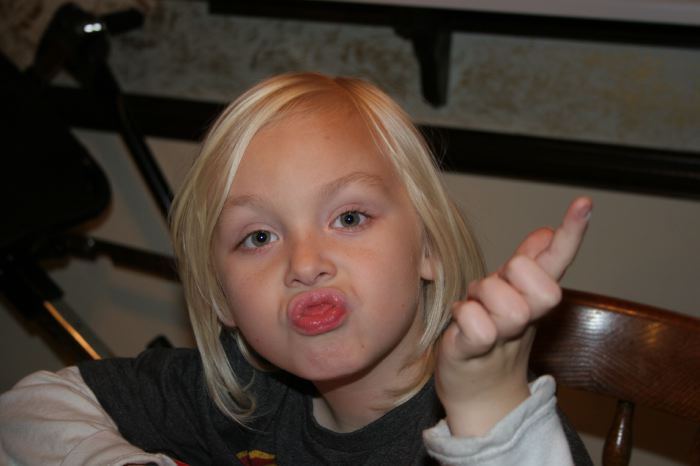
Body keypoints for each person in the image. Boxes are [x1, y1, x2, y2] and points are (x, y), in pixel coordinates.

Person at [0, 72, 593, 465]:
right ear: (222, 298)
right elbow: (27, 411)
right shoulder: (238, 395)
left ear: (428, 248)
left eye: (350, 218)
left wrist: (490, 412)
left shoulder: (488, 425)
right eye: (258, 237)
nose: (305, 264)